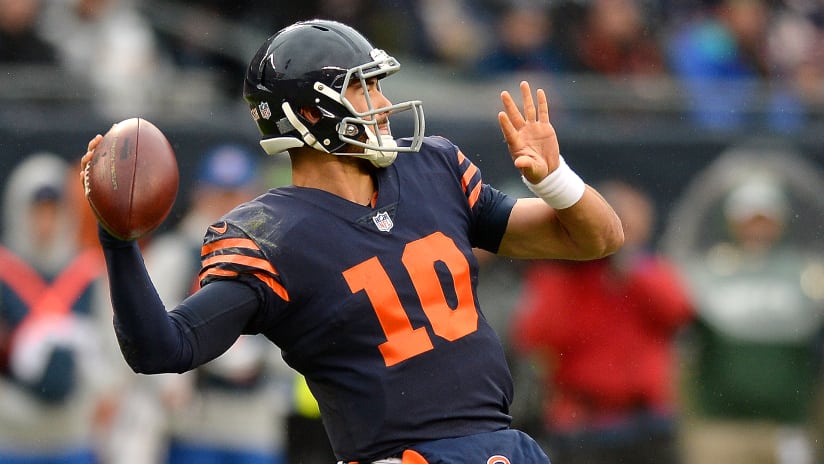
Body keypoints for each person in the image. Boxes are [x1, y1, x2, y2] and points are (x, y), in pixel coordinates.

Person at [79, 19, 624, 464]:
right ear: (312, 113)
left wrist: (555, 180)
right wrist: (118, 239)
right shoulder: (271, 235)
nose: (383, 102)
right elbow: (162, 348)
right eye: (364, 87)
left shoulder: (431, 168)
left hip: (505, 447)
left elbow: (596, 238)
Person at [661, 144, 824, 464]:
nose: (757, 227)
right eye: (750, 218)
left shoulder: (804, 272)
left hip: (787, 424)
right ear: (733, 220)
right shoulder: (708, 271)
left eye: (765, 218)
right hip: (719, 425)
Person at [510, 180, 693, 464]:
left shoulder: (646, 270)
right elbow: (536, 336)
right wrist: (564, 259)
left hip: (646, 421)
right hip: (584, 423)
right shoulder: (561, 277)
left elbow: (678, 312)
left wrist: (628, 259)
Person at [0, 153, 121, 463]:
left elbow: (112, 346)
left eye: (53, 212)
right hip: (11, 436)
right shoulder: (3, 271)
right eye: (36, 213)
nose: (45, 224)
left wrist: (103, 390)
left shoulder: (87, 273)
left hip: (73, 435)